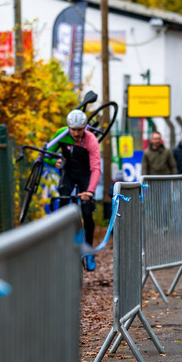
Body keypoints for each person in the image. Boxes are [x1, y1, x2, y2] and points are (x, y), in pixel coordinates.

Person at [46, 108, 102, 271]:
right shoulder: (62, 134)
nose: (76, 134)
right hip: (68, 174)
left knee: (86, 212)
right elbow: (46, 154)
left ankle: (89, 251)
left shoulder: (91, 140)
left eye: (80, 130)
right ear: (68, 127)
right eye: (73, 130)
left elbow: (96, 168)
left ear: (84, 128)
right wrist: (52, 162)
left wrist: (90, 192)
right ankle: (65, 247)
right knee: (64, 208)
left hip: (85, 175)